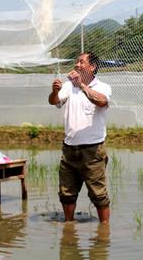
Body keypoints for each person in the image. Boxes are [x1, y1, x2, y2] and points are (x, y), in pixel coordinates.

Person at [48, 52, 112, 223]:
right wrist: (55, 91)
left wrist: (82, 86)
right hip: (69, 149)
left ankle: (104, 230)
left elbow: (101, 101)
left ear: (92, 67)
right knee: (66, 193)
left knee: (98, 194)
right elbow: (54, 101)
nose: (77, 64)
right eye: (76, 61)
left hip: (92, 151)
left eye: (81, 62)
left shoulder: (102, 86)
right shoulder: (68, 86)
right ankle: (69, 227)